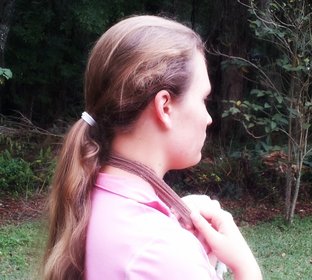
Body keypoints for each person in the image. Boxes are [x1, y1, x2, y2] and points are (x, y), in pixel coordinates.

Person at [42, 15, 262, 280]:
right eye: (203, 99)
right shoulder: (164, 252)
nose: (208, 117)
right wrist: (245, 267)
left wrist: (173, 223)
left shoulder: (94, 196)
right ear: (165, 106)